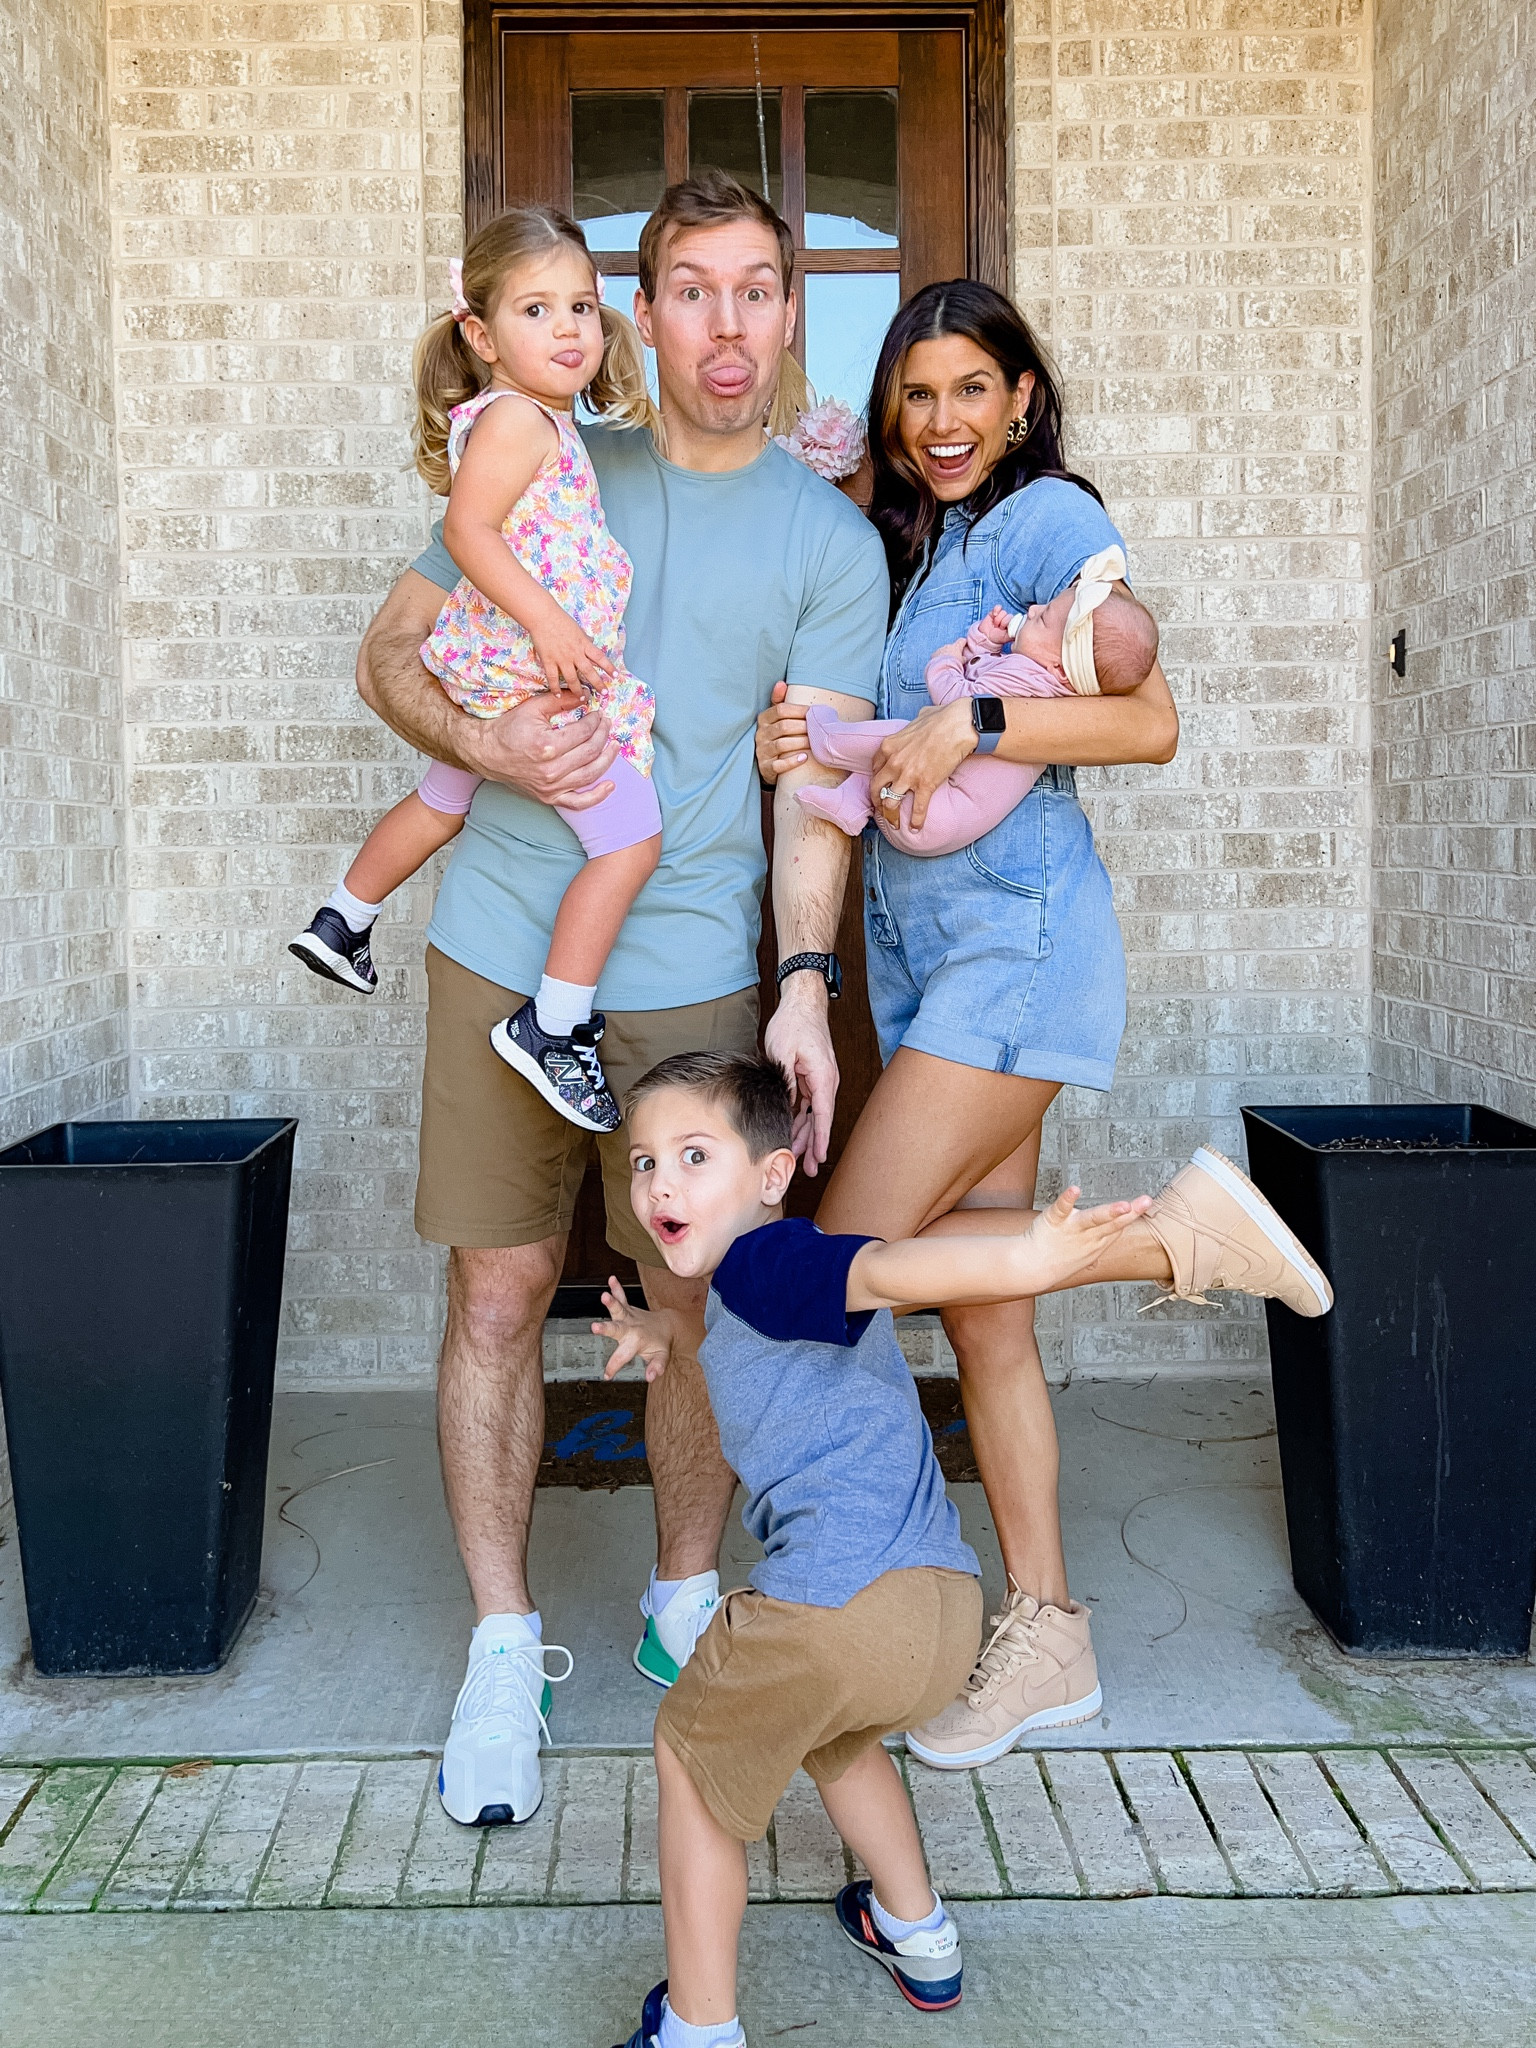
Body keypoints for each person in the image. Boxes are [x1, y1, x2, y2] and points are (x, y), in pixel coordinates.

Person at [352, 172, 890, 1828]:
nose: (724, 326)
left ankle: (677, 1599)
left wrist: (803, 985)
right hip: (504, 951)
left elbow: (812, 791)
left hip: (691, 990)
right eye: (688, 290)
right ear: (637, 317)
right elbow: (390, 650)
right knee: (499, 1303)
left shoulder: (829, 540)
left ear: (789, 311)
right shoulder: (551, 456)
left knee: (699, 1322)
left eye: (755, 289)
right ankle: (504, 1644)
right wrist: (489, 740)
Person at [757, 278, 1334, 1771]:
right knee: (986, 1316)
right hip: (951, 964)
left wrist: (982, 722)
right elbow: (891, 754)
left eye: (971, 390)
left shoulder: (1039, 518)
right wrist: (813, 739)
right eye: (917, 395)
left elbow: (1148, 714)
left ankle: (1168, 1242)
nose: (943, 422)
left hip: (1016, 959)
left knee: (824, 1271)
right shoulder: (925, 547)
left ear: (1021, 398)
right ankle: (1048, 1633)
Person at [595, 1050, 1162, 2047]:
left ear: (771, 1177)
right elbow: (751, 1349)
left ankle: (696, 2024)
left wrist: (1027, 1258)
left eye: (693, 1154)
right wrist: (662, 1334)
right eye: (644, 1161)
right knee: (835, 1731)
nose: (662, 1183)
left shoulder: (776, 1259)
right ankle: (916, 1927)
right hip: (936, 1615)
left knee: (688, 1750)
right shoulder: (750, 1294)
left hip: (832, 1602)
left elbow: (882, 1266)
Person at [291, 207, 663, 1133]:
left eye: (582, 305)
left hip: (487, 669)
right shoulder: (518, 423)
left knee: (446, 796)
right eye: (535, 310)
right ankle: (555, 1023)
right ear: (480, 334)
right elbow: (467, 531)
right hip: (520, 668)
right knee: (629, 838)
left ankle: (344, 916)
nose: (569, 328)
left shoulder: (526, 420)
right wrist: (547, 623)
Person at [797, 550, 1158, 853]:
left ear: (1062, 669)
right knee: (900, 755)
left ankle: (830, 740)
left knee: (904, 734)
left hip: (928, 808)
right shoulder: (1053, 692)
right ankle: (851, 803)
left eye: (1045, 618)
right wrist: (985, 643)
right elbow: (987, 681)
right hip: (928, 819)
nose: (1033, 609)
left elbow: (957, 700)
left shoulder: (1026, 678)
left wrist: (946, 660)